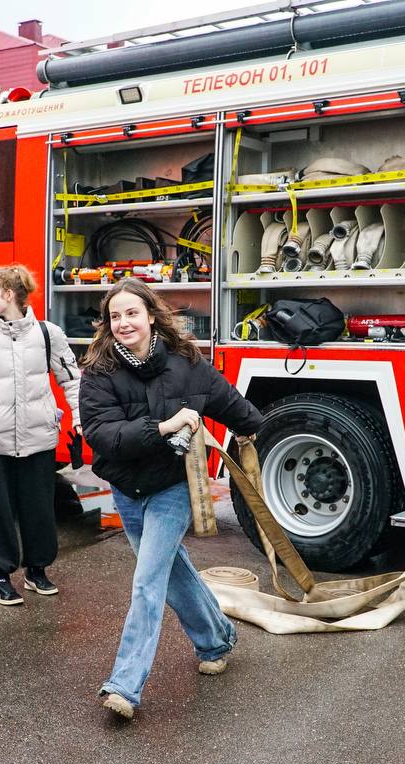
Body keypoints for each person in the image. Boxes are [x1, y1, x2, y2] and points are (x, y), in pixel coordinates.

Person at [80, 279, 263, 720]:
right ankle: (216, 638)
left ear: (150, 316)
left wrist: (251, 427)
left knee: (147, 581)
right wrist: (164, 426)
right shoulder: (99, 373)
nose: (124, 323)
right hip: (127, 489)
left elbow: (226, 400)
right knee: (171, 569)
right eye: (115, 316)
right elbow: (103, 436)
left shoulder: (186, 363)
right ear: (108, 324)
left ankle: (125, 684)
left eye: (132, 313)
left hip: (173, 487)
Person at [0, 264, 82, 606]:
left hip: (39, 439)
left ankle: (37, 570)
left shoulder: (48, 333)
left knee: (39, 507)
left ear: (9, 295)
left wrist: (80, 418)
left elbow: (72, 379)